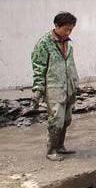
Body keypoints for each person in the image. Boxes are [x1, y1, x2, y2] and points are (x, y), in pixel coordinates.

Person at [31, 12, 79, 161]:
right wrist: (38, 90)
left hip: (69, 86)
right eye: (66, 29)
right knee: (56, 119)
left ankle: (60, 146)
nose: (68, 32)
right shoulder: (44, 43)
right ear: (57, 26)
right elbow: (39, 67)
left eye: (71, 29)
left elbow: (71, 65)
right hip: (54, 87)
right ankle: (51, 150)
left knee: (66, 119)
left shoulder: (67, 43)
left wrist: (75, 84)